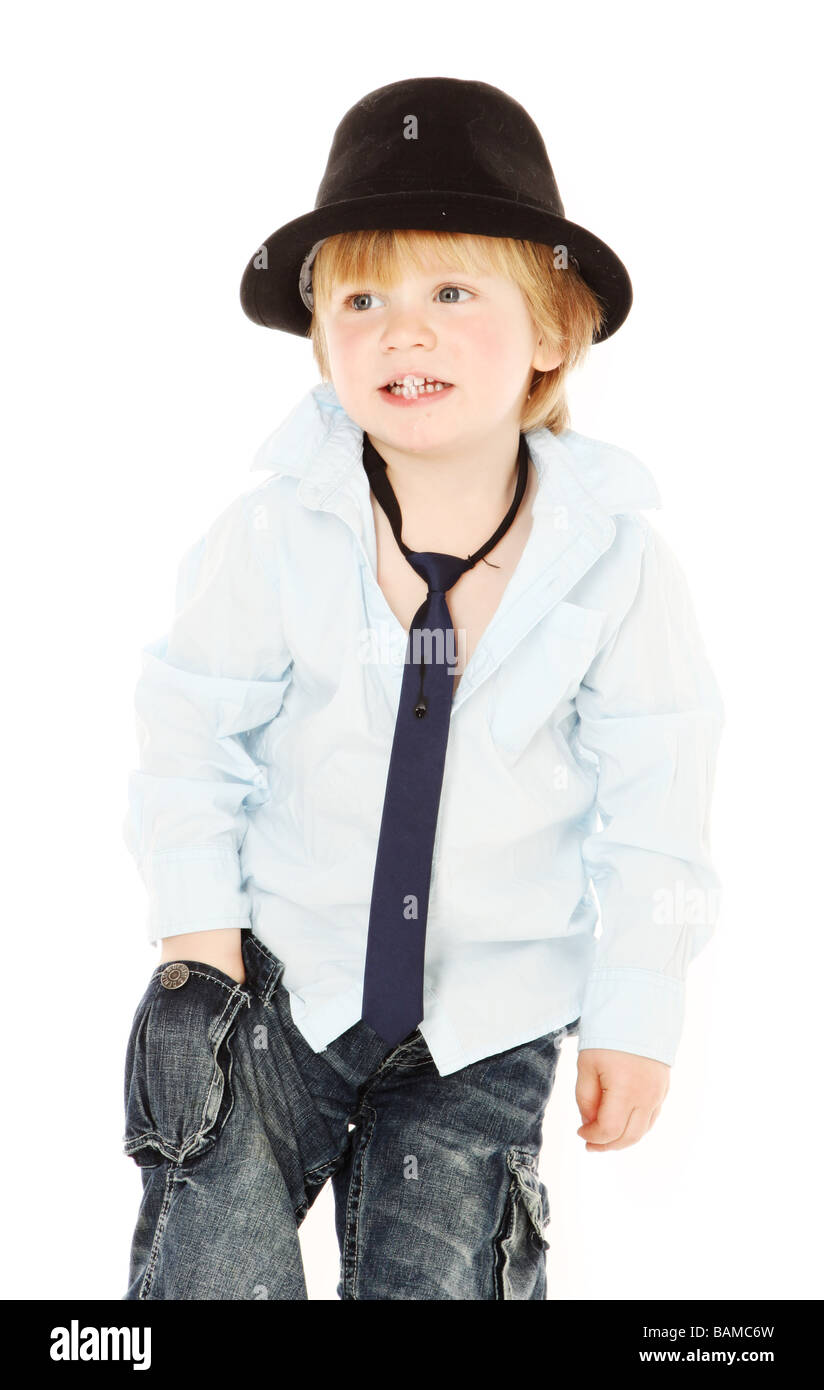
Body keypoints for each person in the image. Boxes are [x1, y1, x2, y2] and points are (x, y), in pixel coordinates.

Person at [120, 77, 724, 1301]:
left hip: (483, 1021)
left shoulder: (613, 560)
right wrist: (199, 935)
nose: (404, 330)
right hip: (275, 985)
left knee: (446, 1283)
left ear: (553, 331)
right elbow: (188, 727)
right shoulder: (279, 527)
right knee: (209, 1271)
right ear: (321, 340)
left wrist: (636, 1007)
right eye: (362, 299)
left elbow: (658, 807)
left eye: (452, 292)